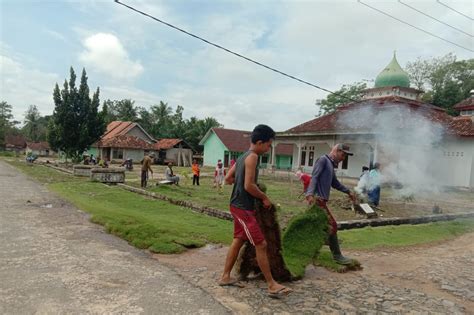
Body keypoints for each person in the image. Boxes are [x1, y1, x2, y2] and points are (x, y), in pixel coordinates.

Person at [219, 124, 292, 298]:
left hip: (237, 205)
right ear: (260, 142)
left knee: (238, 239)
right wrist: (264, 197)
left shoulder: (243, 156)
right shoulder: (252, 157)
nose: (268, 149)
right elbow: (248, 185)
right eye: (268, 145)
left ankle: (225, 277)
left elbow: (229, 178)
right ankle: (272, 285)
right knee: (261, 244)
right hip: (243, 208)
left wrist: (242, 181)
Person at [305, 143, 356, 265]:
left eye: (345, 156)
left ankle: (309, 252)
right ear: (336, 151)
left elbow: (335, 183)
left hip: (321, 200)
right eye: (343, 155)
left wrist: (348, 191)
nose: (343, 158)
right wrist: (310, 194)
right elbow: (315, 177)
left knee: (315, 228)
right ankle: (337, 256)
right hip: (318, 200)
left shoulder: (330, 165)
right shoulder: (323, 160)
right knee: (332, 225)